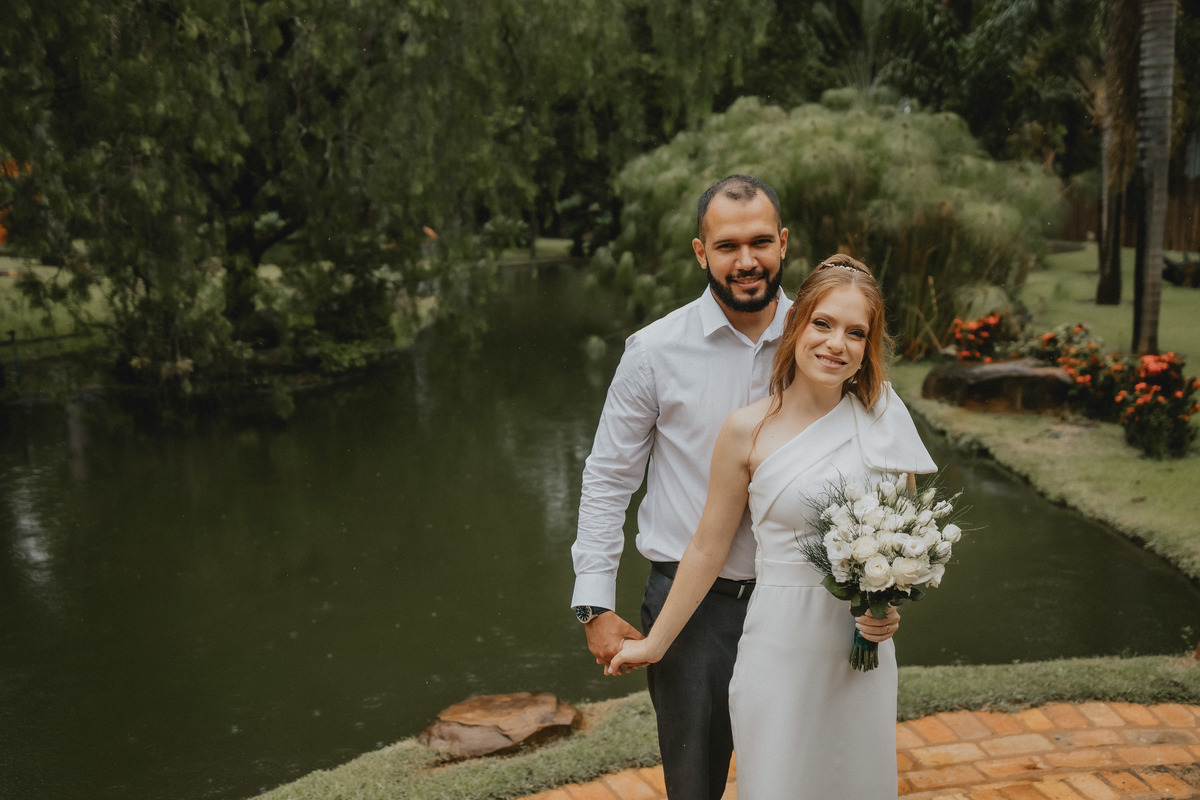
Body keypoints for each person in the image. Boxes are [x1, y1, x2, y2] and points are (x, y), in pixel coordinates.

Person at [609, 255, 937, 799]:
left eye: (856, 333)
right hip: (778, 645)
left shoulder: (885, 418)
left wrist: (887, 607)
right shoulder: (747, 430)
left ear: (868, 347)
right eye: (823, 324)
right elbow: (707, 547)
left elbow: (906, 536)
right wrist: (655, 644)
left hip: (859, 650)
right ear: (796, 325)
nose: (836, 344)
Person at [570, 175, 792, 799]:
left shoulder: (822, 341)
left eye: (759, 242)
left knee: (799, 777)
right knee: (694, 788)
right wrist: (594, 604)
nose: (746, 261)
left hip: (799, 601)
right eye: (727, 246)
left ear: (783, 243)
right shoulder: (653, 352)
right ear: (701, 253)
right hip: (688, 612)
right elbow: (608, 478)